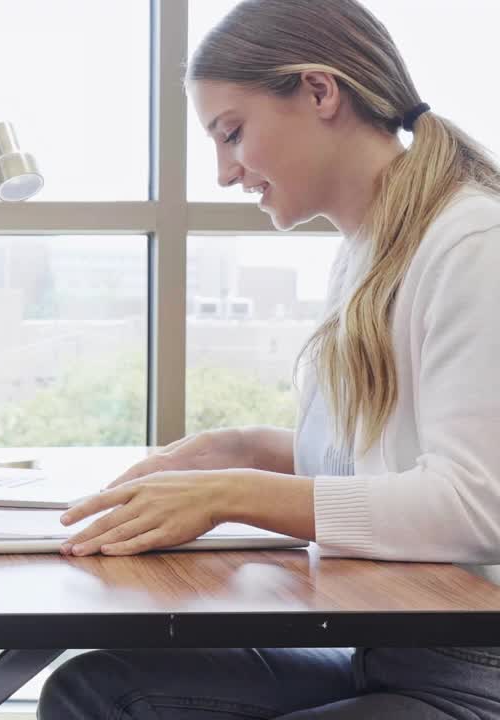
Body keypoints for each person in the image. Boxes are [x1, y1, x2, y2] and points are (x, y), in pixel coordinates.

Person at [39, 0, 500, 717]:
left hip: (472, 666)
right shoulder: (369, 248)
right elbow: (390, 463)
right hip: (389, 643)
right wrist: (247, 449)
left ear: (320, 92)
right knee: (98, 688)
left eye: (232, 133)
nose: (226, 172)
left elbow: (475, 505)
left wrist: (232, 492)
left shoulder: (473, 244)